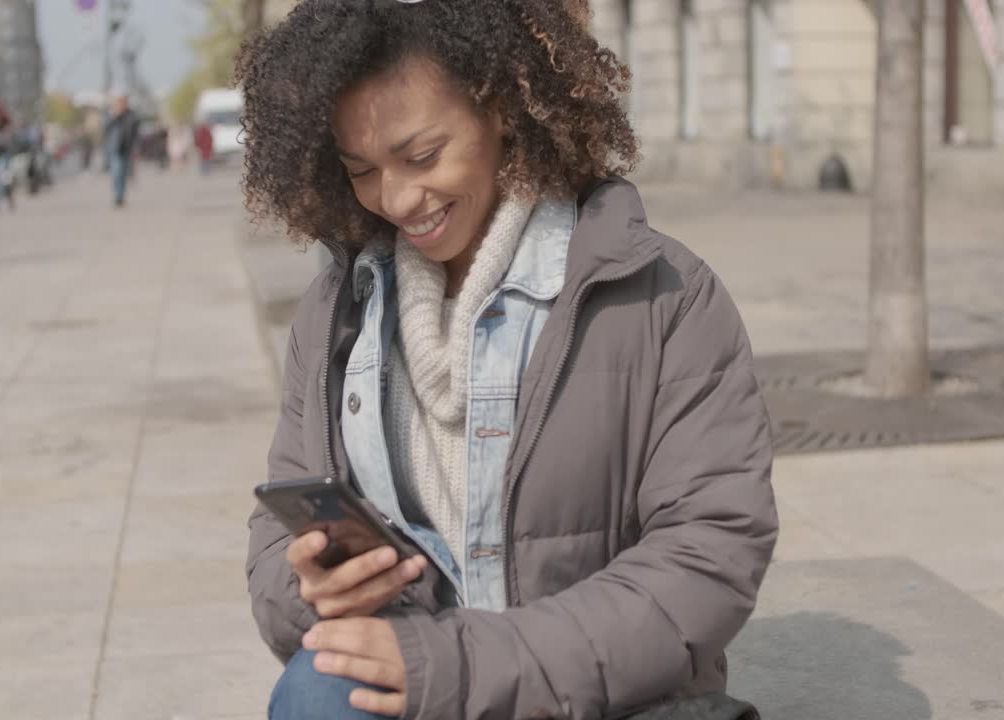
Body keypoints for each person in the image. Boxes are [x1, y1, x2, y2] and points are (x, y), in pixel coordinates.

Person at [239, 1, 778, 719]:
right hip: (413, 679)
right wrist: (309, 588)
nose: (396, 198)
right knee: (314, 695)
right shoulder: (338, 310)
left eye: (422, 156)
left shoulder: (661, 296)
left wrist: (466, 665)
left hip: (606, 698)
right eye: (362, 169)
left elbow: (710, 557)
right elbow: (277, 537)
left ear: (503, 108)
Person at [103, 95, 139, 207]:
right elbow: (105, 127)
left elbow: (136, 130)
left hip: (127, 147)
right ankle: (117, 196)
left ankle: (121, 195)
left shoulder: (131, 115)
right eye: (119, 104)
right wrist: (115, 116)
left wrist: (135, 146)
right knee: (116, 172)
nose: (121, 106)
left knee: (123, 173)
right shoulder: (112, 115)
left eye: (123, 103)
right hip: (115, 148)